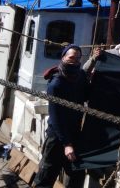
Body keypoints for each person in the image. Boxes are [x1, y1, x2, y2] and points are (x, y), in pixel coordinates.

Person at [34, 45, 91, 188]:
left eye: (78, 58)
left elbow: (86, 96)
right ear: (63, 57)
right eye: (71, 57)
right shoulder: (56, 84)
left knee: (77, 175)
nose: (75, 61)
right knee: (46, 176)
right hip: (57, 138)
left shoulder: (81, 76)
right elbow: (56, 118)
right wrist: (67, 144)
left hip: (74, 134)